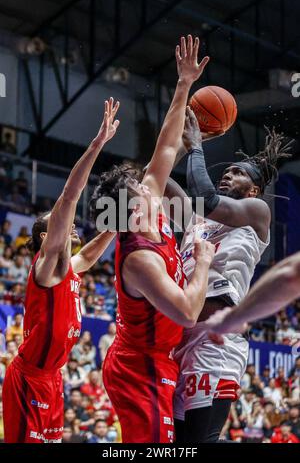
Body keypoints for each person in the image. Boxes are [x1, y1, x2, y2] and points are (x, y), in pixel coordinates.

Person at [90, 35, 215, 443]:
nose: (150, 184)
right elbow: (185, 313)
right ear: (132, 210)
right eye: (141, 189)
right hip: (137, 368)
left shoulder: (147, 208)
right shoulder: (139, 259)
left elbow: (165, 145)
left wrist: (184, 83)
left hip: (159, 358)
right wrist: (204, 259)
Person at [165, 112, 291, 442]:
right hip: (180, 341)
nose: (227, 175)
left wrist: (195, 149)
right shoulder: (194, 217)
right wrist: (178, 144)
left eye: (236, 173)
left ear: (254, 190)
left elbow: (206, 198)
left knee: (199, 442)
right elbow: (156, 177)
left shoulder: (256, 213)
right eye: (227, 171)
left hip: (215, 343)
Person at [2, 98, 119, 443]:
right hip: (29, 378)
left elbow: (93, 253)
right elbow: (69, 196)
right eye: (57, 223)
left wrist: (117, 224)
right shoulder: (48, 264)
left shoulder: (69, 269)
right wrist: (98, 144)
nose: (67, 223)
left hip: (53, 378)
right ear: (45, 236)